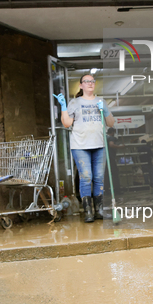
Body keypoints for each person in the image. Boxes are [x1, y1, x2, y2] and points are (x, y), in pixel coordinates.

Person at [53, 75, 114, 223]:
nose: (90, 83)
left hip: (99, 145)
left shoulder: (101, 101)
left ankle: (99, 210)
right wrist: (63, 107)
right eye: (86, 81)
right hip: (80, 146)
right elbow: (67, 123)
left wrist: (105, 111)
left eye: (92, 81)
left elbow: (110, 123)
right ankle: (88, 211)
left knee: (99, 177)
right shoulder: (75, 102)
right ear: (81, 85)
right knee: (86, 177)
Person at [106, 128, 125, 196]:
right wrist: (120, 147)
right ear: (113, 132)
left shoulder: (105, 137)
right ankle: (117, 190)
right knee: (115, 174)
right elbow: (111, 145)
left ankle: (106, 190)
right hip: (111, 158)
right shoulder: (111, 138)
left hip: (105, 158)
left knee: (106, 175)